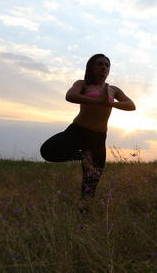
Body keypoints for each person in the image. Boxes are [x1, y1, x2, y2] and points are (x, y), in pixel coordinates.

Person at [40, 53, 135, 213]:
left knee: (91, 184)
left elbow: (131, 105)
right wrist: (98, 101)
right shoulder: (82, 84)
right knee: (47, 150)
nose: (104, 67)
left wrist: (110, 102)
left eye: (107, 65)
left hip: (97, 139)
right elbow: (70, 96)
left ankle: (83, 219)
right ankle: (83, 157)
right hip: (77, 132)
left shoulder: (113, 89)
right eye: (100, 64)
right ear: (91, 66)